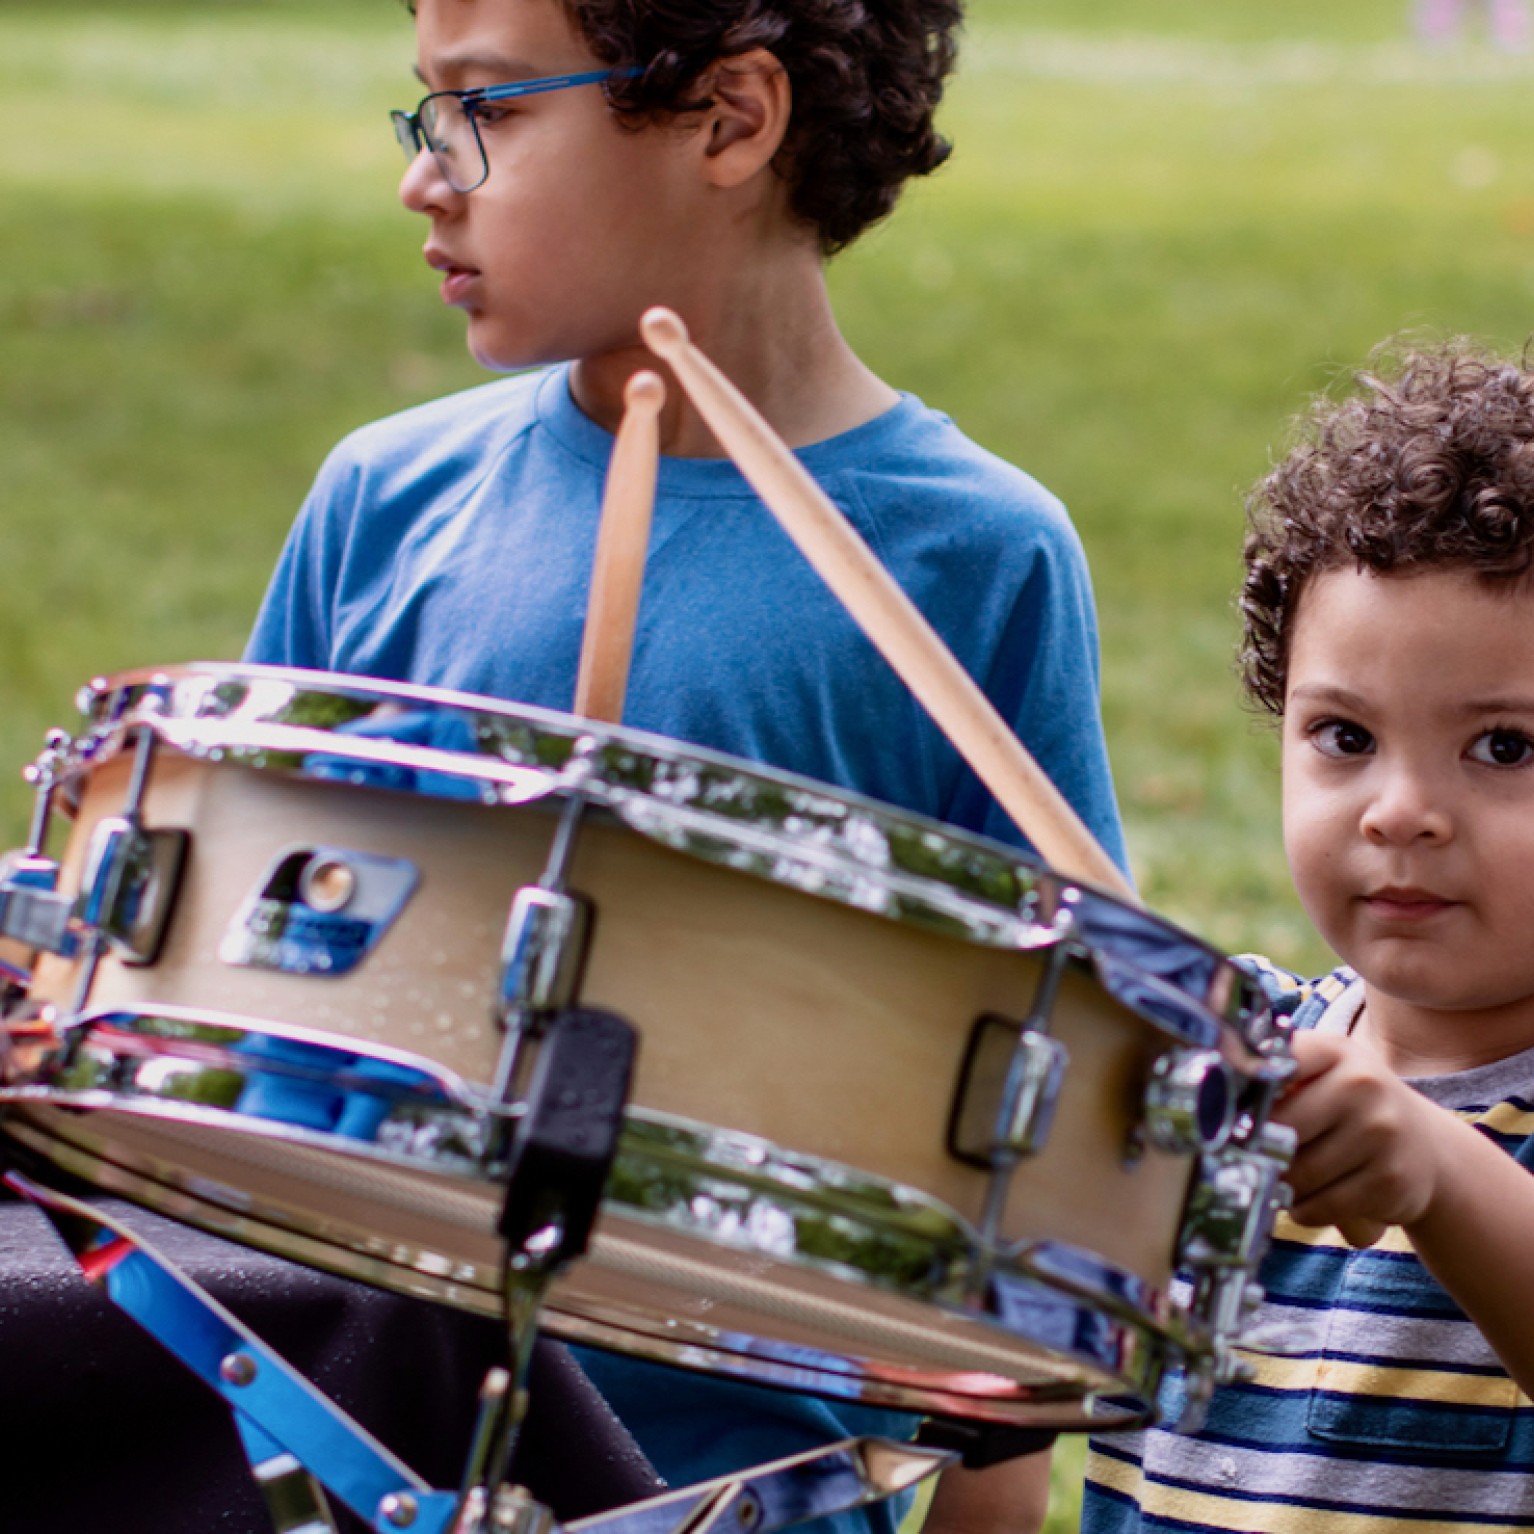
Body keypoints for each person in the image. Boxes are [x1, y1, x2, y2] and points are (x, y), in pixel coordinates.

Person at [244, 0, 1128, 1529]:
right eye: (426, 110)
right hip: (355, 1448)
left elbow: (1032, 1149)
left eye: (489, 111)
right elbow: (243, 995)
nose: (422, 176)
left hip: (753, 1488)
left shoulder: (971, 556)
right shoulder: (383, 500)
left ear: (729, 117)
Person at [1077, 341, 1534, 1532]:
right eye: (1342, 736)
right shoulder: (1226, 1056)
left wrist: (1432, 1169)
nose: (1396, 810)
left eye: (1503, 747)